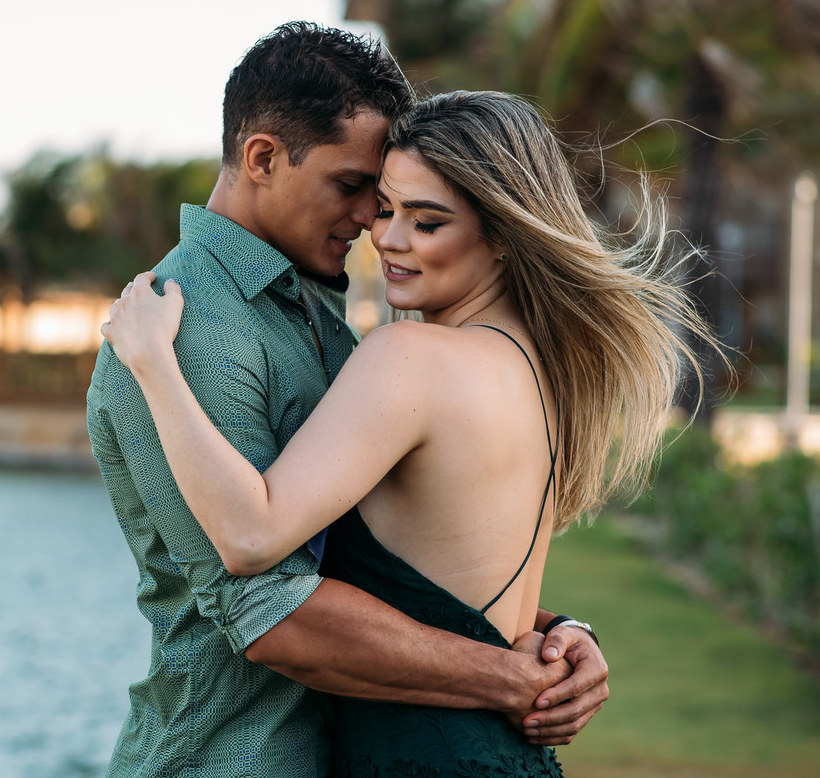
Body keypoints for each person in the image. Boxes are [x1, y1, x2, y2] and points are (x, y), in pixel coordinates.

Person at [103, 88, 722, 774]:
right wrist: (559, 634)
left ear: (503, 236)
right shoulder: (540, 372)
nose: (387, 236)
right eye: (387, 208)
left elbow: (251, 538)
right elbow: (451, 588)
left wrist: (154, 364)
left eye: (426, 222)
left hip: (421, 755)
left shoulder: (412, 359)